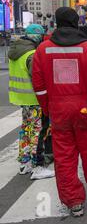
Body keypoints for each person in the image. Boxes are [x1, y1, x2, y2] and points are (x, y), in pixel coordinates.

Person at [32, 7, 87, 217]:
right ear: (75, 23)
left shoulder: (43, 50)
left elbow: (40, 87)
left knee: (65, 158)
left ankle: (74, 203)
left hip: (59, 113)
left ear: (57, 23)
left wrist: (48, 109)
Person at [8, 24, 55, 180]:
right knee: (37, 133)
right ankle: (37, 166)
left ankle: (25, 163)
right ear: (37, 37)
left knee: (26, 132)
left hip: (22, 100)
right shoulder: (32, 54)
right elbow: (38, 80)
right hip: (34, 100)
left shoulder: (16, 52)